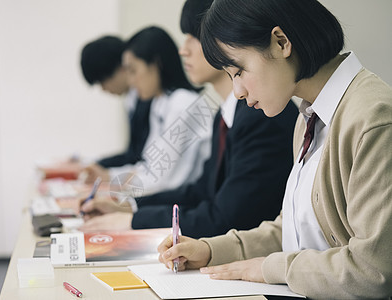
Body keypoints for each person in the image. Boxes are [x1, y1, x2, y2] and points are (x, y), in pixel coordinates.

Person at [158, 0, 392, 298]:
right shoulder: (309, 118)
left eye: (239, 71)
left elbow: (374, 269)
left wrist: (269, 268)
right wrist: (210, 249)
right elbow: (293, 231)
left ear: (281, 42)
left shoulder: (373, 118)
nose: (238, 92)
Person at [79, 0, 298, 237]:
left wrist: (131, 215)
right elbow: (198, 190)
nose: (183, 50)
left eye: (193, 37)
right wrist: (129, 207)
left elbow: (168, 180)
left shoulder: (251, 114)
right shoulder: (221, 115)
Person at [79, 26, 215, 230]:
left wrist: (117, 195)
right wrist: (113, 183)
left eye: (133, 71)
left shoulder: (183, 104)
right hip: (172, 202)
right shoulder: (161, 102)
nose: (131, 81)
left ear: (156, 64)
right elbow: (149, 164)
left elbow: (163, 179)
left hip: (190, 208)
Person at [80, 36, 152, 168]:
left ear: (121, 67)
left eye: (103, 81)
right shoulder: (131, 99)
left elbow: (137, 156)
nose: (103, 88)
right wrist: (95, 164)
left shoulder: (150, 98)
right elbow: (132, 153)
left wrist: (101, 167)